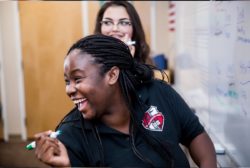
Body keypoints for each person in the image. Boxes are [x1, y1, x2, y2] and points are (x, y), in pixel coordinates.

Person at [34, 34, 217, 167]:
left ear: (112, 75)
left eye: (78, 79)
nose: (69, 90)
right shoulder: (70, 136)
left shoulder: (158, 93)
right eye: (67, 81)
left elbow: (196, 135)